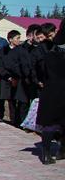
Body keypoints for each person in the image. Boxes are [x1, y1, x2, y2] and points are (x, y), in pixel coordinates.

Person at [34, 28, 65, 163]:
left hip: (50, 91)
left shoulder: (48, 55)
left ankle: (46, 154)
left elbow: (39, 72)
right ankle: (61, 151)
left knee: (49, 124)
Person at [0, 30, 22, 123]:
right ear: (10, 39)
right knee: (2, 98)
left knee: (13, 100)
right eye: (17, 38)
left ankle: (14, 119)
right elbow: (0, 65)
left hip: (17, 78)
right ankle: (0, 115)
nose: (19, 40)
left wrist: (17, 76)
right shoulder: (2, 51)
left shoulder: (21, 50)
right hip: (4, 78)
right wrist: (7, 76)